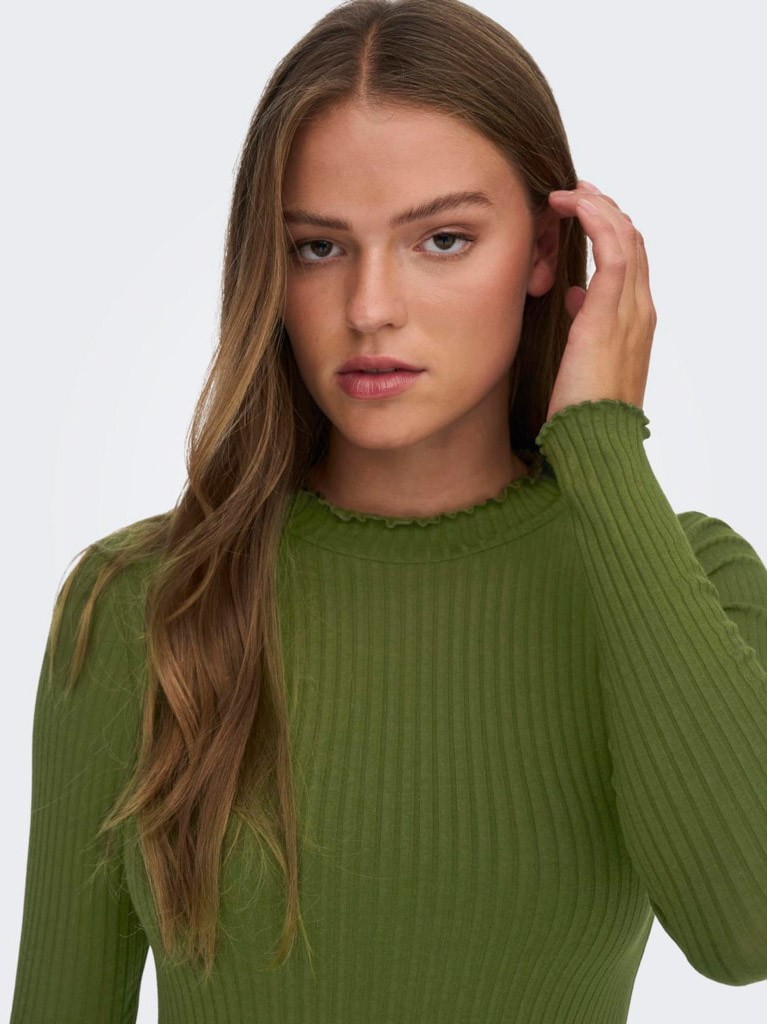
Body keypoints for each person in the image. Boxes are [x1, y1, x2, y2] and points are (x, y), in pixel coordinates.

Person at [10, 0, 766, 1020]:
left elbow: (743, 933)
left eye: (442, 239)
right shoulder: (143, 603)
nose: (370, 308)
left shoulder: (686, 582)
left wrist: (602, 444)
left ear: (546, 252)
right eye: (319, 248)